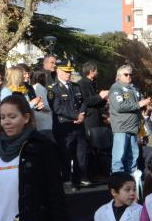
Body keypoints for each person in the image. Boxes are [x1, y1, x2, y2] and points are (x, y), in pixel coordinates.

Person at [48, 60, 89, 188]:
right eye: (66, 71)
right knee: (65, 155)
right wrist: (75, 116)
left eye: (70, 71)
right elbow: (58, 108)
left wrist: (81, 114)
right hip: (64, 127)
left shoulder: (75, 86)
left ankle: (78, 178)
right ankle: (66, 180)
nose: (68, 74)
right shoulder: (53, 89)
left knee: (80, 154)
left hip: (79, 126)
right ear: (59, 71)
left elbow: (83, 102)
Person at [109, 65, 150, 174]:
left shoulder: (134, 88)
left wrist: (145, 105)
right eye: (126, 74)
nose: (129, 77)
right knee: (119, 157)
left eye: (130, 74)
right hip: (121, 128)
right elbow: (120, 106)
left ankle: (132, 181)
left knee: (133, 157)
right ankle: (117, 181)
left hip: (134, 128)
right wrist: (139, 104)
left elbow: (141, 103)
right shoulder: (116, 88)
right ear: (119, 76)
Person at [79, 62, 109, 133]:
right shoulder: (81, 84)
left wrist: (104, 98)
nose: (97, 73)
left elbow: (98, 102)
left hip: (97, 117)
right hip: (88, 118)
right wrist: (100, 96)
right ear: (91, 71)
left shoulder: (94, 83)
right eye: (96, 71)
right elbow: (85, 101)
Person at [31, 70, 53, 139]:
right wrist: (53, 108)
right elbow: (44, 105)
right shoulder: (39, 87)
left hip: (40, 122)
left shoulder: (33, 87)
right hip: (44, 122)